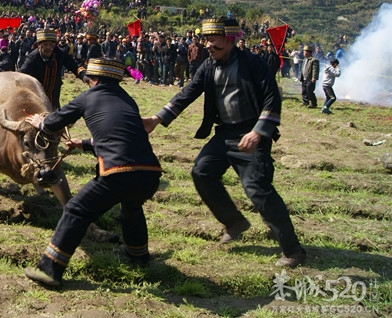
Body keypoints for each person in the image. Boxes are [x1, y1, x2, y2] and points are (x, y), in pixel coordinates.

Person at [142, 18, 306, 268]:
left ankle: (293, 250)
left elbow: (272, 99)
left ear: (231, 39)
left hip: (251, 134)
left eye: (213, 41)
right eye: (206, 40)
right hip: (224, 134)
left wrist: (258, 132)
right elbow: (188, 93)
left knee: (257, 189)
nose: (208, 45)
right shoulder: (208, 65)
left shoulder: (254, 64)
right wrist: (157, 118)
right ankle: (234, 222)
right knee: (202, 172)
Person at [23, 58, 163, 287]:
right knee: (132, 206)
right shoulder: (128, 100)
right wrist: (85, 143)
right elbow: (119, 136)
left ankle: (49, 269)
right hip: (149, 173)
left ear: (94, 79)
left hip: (118, 172)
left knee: (75, 210)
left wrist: (40, 122)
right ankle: (138, 256)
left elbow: (54, 122)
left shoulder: (89, 96)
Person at [18, 28, 88, 110]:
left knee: (54, 117)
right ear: (39, 45)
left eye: (51, 44)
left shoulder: (60, 54)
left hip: (54, 95)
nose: (48, 47)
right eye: (45, 44)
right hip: (37, 97)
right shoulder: (32, 58)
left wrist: (84, 76)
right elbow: (22, 73)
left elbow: (74, 66)